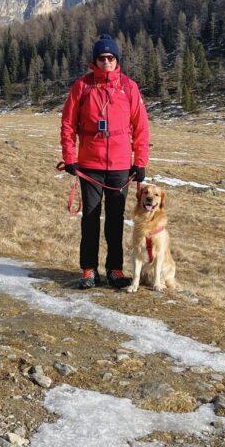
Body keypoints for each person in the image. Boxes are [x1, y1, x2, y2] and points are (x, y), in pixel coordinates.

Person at [60, 34, 149, 289]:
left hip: (121, 167)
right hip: (90, 166)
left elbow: (141, 127)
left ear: (117, 59)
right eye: (102, 58)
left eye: (111, 57)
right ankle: (89, 270)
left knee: (115, 220)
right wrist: (70, 158)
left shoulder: (129, 87)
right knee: (90, 217)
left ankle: (115, 270)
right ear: (95, 61)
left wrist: (140, 161)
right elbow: (68, 125)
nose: (107, 61)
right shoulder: (82, 87)